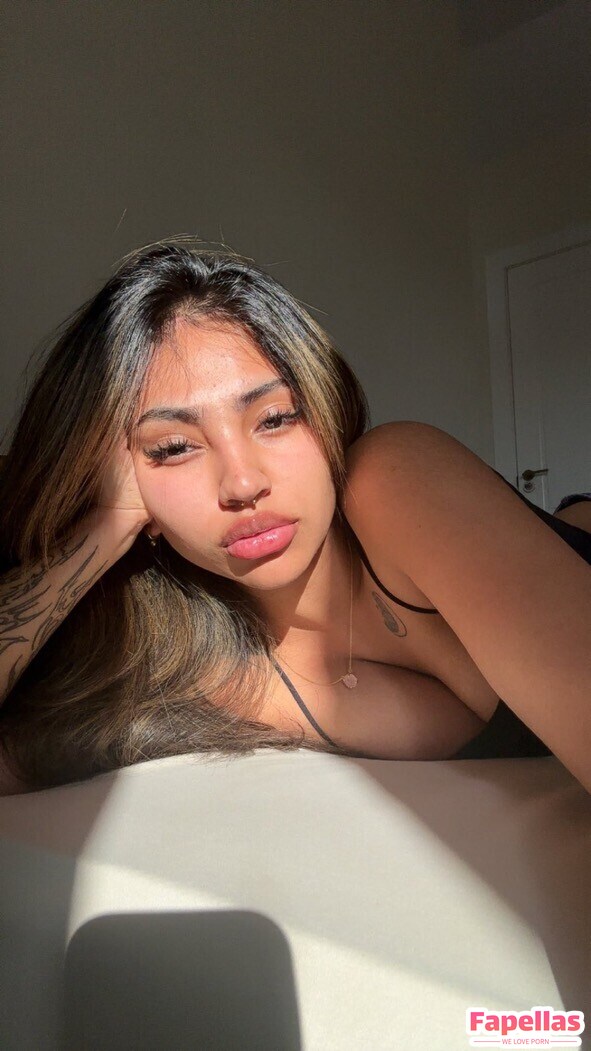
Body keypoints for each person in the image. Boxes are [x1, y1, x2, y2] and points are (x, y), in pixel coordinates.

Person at [0, 237, 590, 795]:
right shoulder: (213, 674)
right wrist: (103, 528)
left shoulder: (395, 475)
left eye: (275, 418)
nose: (243, 483)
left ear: (325, 410)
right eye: (174, 448)